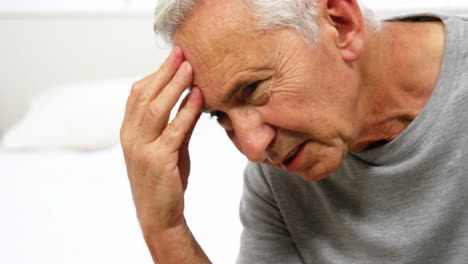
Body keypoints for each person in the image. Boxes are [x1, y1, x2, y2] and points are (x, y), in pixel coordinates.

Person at [120, 0, 468, 262]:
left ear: (340, 23)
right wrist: (164, 229)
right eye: (220, 116)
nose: (254, 149)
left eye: (254, 88)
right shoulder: (281, 174)